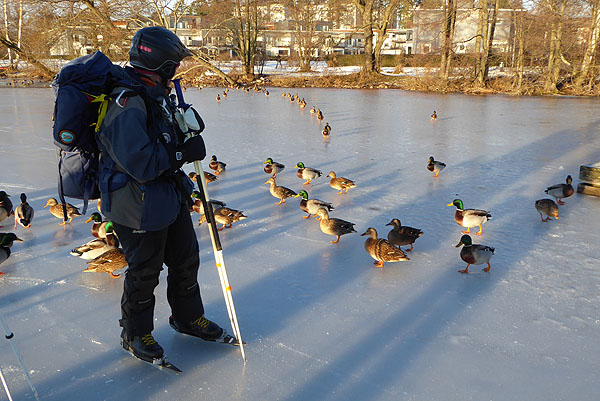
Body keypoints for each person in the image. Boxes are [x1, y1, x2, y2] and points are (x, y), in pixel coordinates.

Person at [96, 26, 237, 364]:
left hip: (166, 198)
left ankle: (187, 317)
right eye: (174, 64)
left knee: (186, 259)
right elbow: (140, 164)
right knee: (145, 272)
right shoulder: (127, 102)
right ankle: (135, 333)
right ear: (161, 64)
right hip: (135, 205)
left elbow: (165, 141)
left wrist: (184, 136)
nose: (177, 70)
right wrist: (181, 153)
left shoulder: (156, 94)